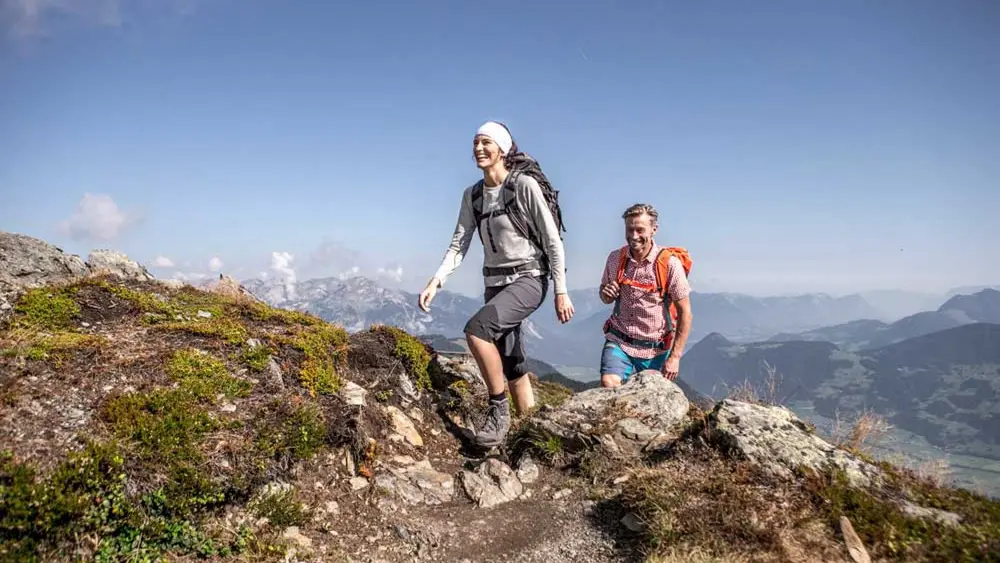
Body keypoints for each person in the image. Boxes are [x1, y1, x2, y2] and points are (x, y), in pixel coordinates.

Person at [418, 120, 574, 448]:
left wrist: (560, 289)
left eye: (486, 143)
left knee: (477, 331)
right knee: (512, 361)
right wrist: (437, 281)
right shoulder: (472, 195)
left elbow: (552, 240)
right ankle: (531, 435)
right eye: (475, 143)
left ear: (502, 149)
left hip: (529, 279)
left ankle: (498, 410)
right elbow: (459, 243)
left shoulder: (524, 186)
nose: (478, 149)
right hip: (495, 284)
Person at [598, 203, 692, 388]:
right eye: (629, 229)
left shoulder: (669, 264)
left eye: (640, 230)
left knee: (652, 402)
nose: (634, 236)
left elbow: (685, 314)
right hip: (619, 341)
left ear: (653, 230)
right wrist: (606, 293)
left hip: (655, 349)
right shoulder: (615, 258)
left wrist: (675, 357)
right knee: (609, 384)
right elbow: (604, 295)